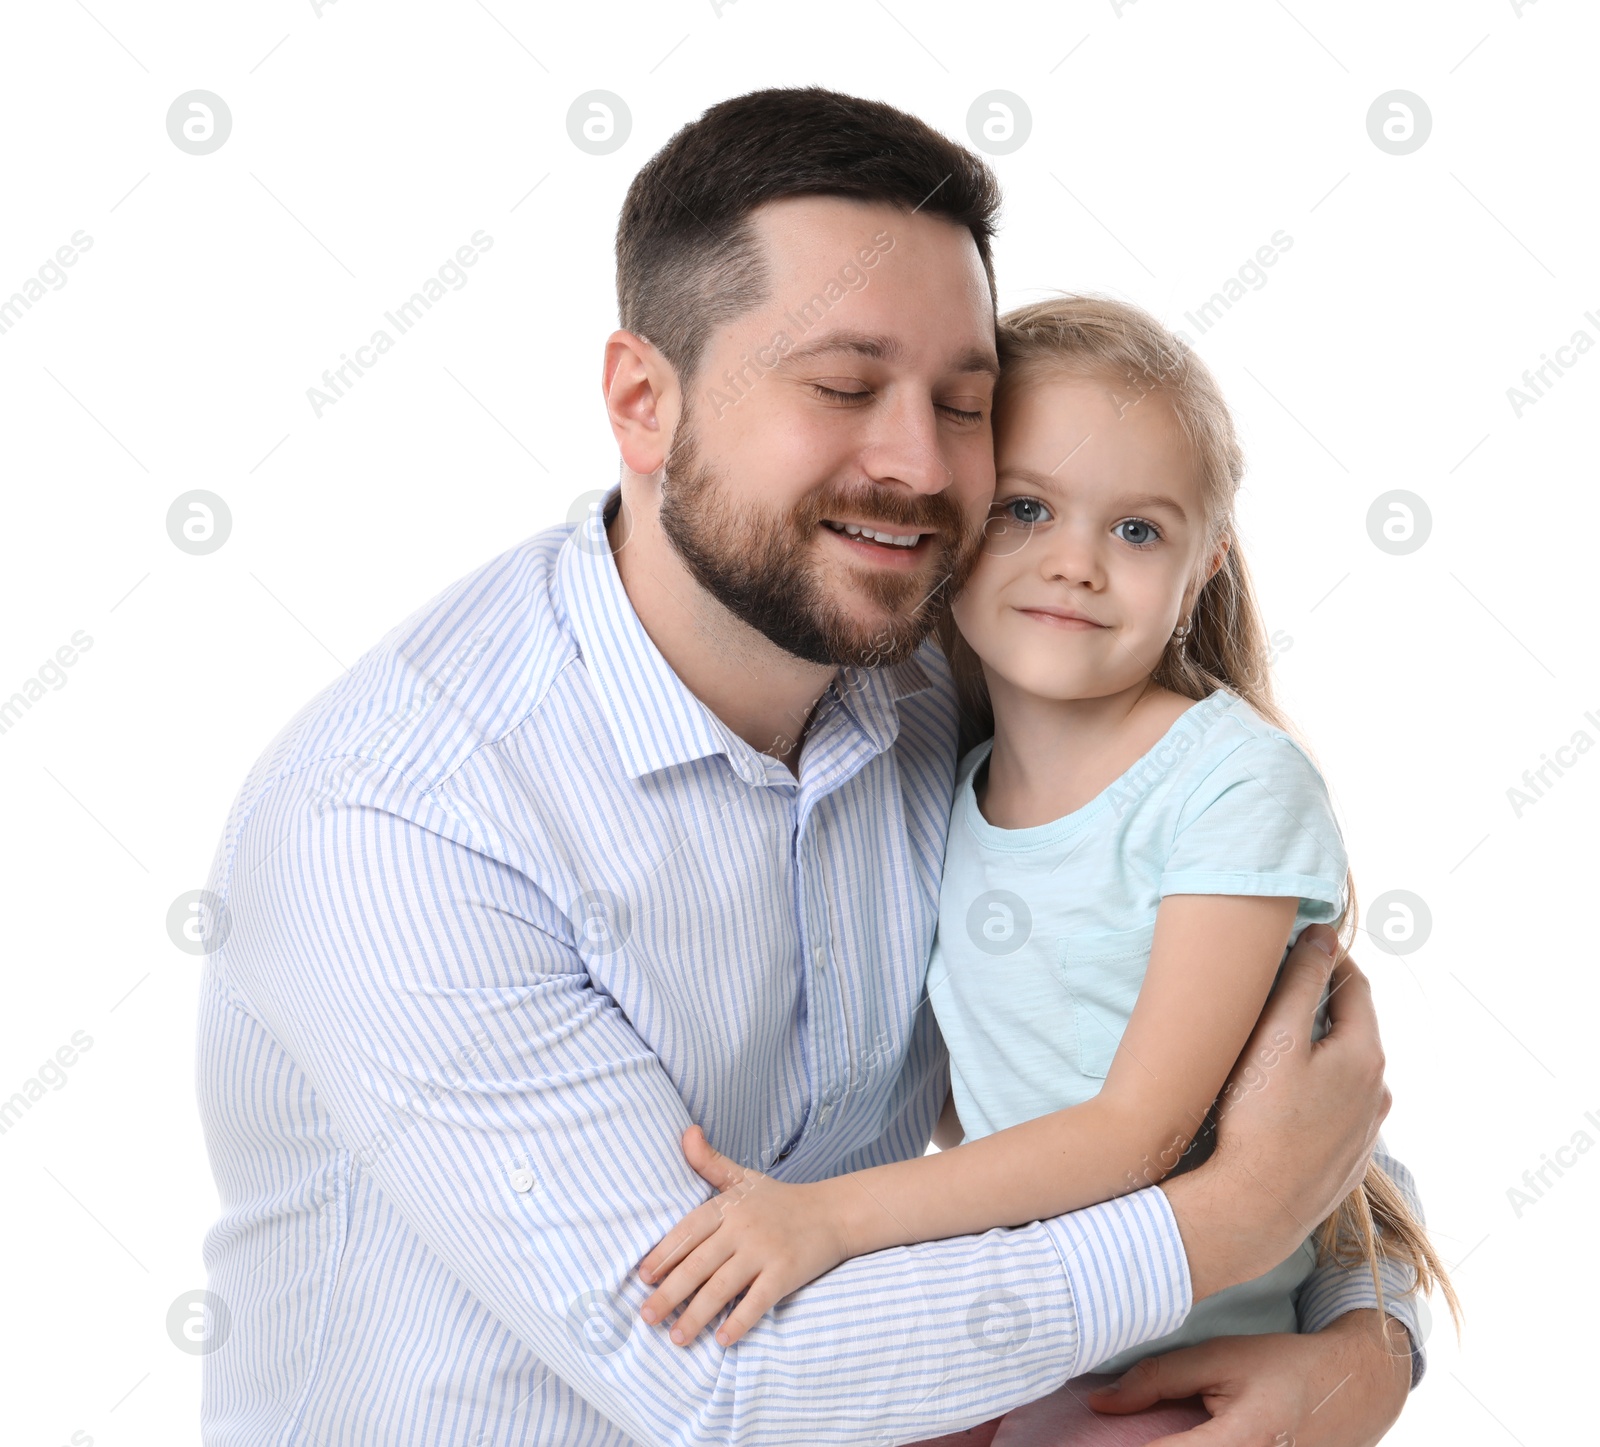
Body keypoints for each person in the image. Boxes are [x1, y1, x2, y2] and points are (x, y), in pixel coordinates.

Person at [196, 88, 1423, 1446]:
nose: (914, 461)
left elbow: (1260, 1079)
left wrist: (1369, 1342)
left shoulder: (942, 672)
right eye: (842, 387)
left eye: (963, 405)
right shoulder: (396, 819)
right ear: (642, 400)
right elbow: (720, 1379)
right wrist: (1226, 1222)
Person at [635, 295, 1461, 1441]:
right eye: (1027, 509)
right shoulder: (953, 774)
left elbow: (1139, 1132)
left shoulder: (1228, 786)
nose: (1073, 564)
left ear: (1202, 565)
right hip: (1017, 1344)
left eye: (1136, 531)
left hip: (1177, 1375)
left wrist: (824, 1220)